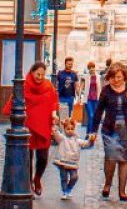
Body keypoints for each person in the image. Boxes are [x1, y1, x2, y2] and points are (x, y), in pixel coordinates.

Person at [3, 61, 58, 196]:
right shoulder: (24, 85)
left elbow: (53, 101)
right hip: (27, 126)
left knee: (43, 157)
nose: (40, 77)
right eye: (37, 74)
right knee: (28, 157)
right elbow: (14, 101)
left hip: (43, 125)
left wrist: (54, 114)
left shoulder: (48, 85)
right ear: (32, 72)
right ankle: (27, 185)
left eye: (42, 75)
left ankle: (37, 178)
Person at [90, 61, 127, 201]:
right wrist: (93, 130)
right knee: (111, 157)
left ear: (124, 76)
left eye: (119, 77)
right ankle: (107, 183)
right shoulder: (106, 90)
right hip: (110, 129)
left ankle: (122, 190)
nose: (116, 80)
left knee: (125, 160)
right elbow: (99, 111)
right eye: (113, 77)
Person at [53, 116, 93, 199]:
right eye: (68, 129)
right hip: (62, 162)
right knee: (63, 178)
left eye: (72, 129)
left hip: (73, 163)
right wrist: (55, 125)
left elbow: (85, 144)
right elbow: (55, 133)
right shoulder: (62, 138)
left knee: (74, 177)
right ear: (64, 129)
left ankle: (69, 188)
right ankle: (64, 191)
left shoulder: (77, 140)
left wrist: (91, 140)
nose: (70, 131)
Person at [79, 61, 100, 139]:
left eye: (92, 67)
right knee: (91, 116)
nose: (91, 69)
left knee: (94, 117)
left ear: (94, 68)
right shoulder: (86, 76)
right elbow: (81, 86)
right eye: (90, 68)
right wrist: (79, 98)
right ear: (88, 69)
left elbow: (100, 88)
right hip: (88, 100)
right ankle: (89, 134)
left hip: (96, 100)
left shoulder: (98, 76)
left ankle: (91, 134)